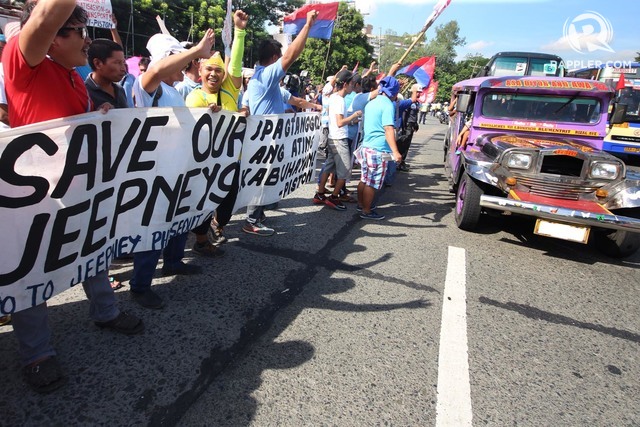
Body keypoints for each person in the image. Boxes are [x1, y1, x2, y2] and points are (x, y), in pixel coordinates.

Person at [3, 0, 143, 393]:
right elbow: (46, 15)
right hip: (35, 199)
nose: (87, 41)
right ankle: (37, 355)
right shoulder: (23, 62)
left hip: (79, 191)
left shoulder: (70, 75)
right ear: (54, 38)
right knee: (30, 272)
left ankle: (105, 312)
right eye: (79, 31)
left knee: (92, 251)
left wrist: (94, 116)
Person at [128, 28, 215, 310]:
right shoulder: (146, 86)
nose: (188, 66)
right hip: (153, 174)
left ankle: (174, 262)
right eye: (182, 60)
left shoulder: (173, 92)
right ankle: (140, 286)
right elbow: (154, 72)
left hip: (177, 169)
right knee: (154, 229)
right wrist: (196, 51)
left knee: (180, 221)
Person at [241, 9, 318, 236]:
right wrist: (307, 26)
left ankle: (259, 213)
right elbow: (291, 56)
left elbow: (294, 100)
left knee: (267, 177)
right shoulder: (265, 77)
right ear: (274, 59)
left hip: (269, 138)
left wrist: (316, 107)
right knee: (261, 178)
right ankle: (251, 220)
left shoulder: (270, 84)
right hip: (264, 140)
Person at [185, 9, 248, 254]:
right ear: (200, 72)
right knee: (202, 202)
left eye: (218, 71)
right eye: (209, 69)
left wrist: (240, 30)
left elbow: (238, 62)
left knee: (228, 202)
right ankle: (201, 241)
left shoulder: (230, 92)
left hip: (232, 160)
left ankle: (218, 225)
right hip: (206, 162)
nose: (213, 74)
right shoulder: (195, 97)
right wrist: (207, 116)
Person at [313, 69, 361, 211]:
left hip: (333, 137)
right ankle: (334, 197)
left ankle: (320, 193)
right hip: (339, 138)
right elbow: (340, 122)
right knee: (345, 170)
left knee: (329, 166)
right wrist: (354, 117)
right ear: (345, 84)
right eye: (352, 83)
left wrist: (351, 121)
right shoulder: (339, 100)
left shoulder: (333, 97)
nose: (353, 86)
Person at [356, 76, 403, 220]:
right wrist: (395, 152)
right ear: (394, 92)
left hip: (366, 147)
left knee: (364, 178)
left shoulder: (371, 102)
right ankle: (366, 210)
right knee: (373, 182)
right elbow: (388, 128)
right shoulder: (388, 105)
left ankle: (361, 204)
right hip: (378, 149)